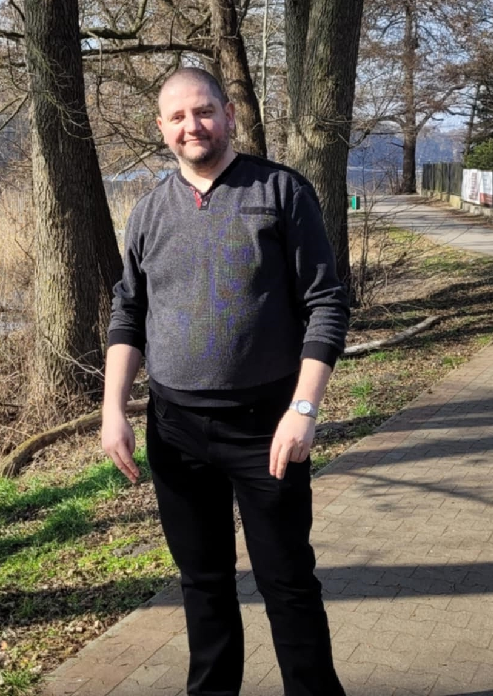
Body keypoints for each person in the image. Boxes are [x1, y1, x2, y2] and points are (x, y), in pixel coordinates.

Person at [102, 67, 349, 696]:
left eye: (204, 111)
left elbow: (326, 304)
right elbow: (128, 313)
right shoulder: (149, 211)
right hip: (175, 430)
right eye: (178, 117)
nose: (193, 126)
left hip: (267, 427)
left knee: (286, 582)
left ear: (229, 115)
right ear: (161, 128)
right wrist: (113, 410)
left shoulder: (280, 191)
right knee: (203, 584)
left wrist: (303, 409)